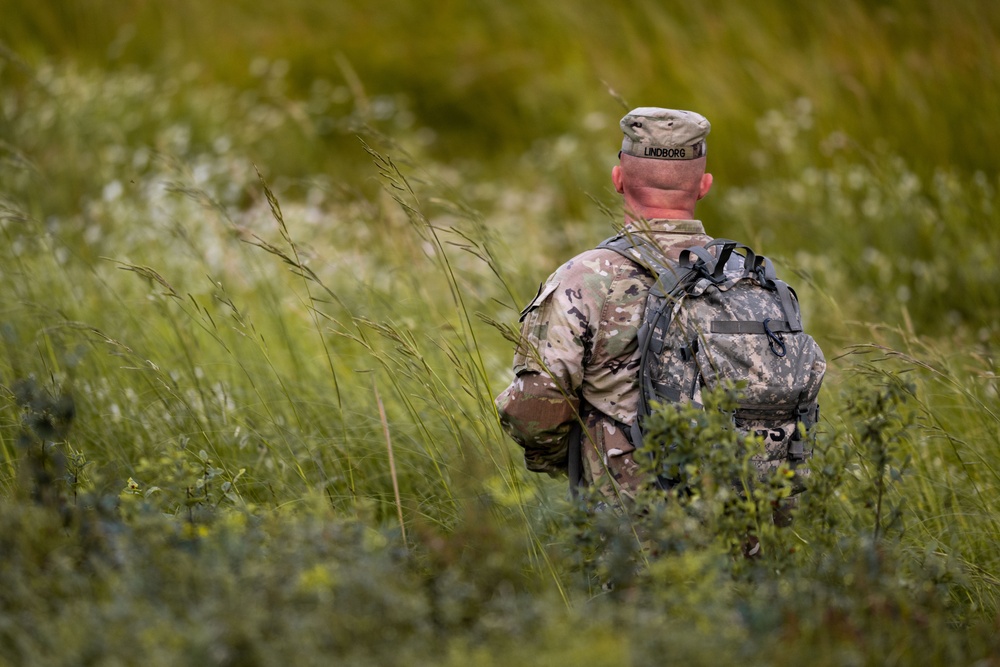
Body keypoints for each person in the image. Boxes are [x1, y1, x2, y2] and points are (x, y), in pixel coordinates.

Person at [494, 107, 718, 501]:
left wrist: (578, 459)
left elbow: (534, 409)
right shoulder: (750, 277)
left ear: (618, 180)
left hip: (631, 528)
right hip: (748, 519)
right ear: (703, 186)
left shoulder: (586, 278)